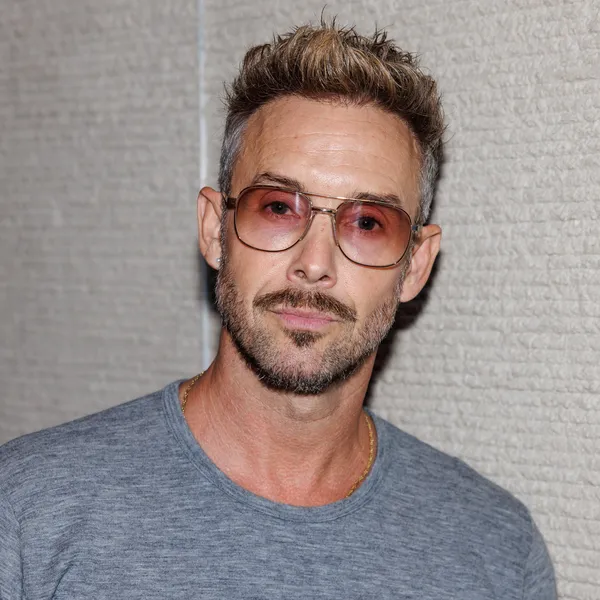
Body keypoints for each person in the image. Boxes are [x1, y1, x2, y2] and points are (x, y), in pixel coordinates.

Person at [0, 21, 556, 600]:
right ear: (215, 230)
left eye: (368, 222)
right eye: (278, 208)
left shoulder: (497, 551)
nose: (314, 264)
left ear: (415, 264)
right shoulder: (27, 515)